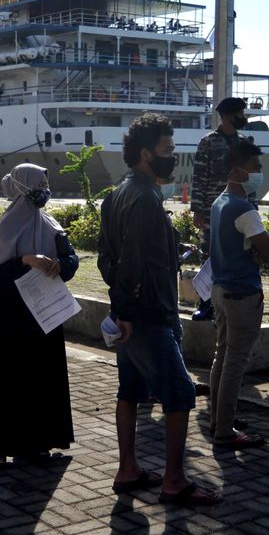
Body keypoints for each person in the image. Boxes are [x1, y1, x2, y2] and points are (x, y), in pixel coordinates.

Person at [99, 113, 222, 506]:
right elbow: (133, 261)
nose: (172, 157)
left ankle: (129, 469)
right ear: (143, 153)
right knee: (180, 393)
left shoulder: (117, 193)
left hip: (132, 313)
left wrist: (119, 308)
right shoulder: (147, 197)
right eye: (166, 150)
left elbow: (107, 261)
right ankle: (174, 481)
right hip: (149, 314)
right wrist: (128, 313)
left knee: (130, 391)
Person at [0, 164, 79, 468]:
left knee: (45, 376)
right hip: (16, 318)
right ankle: (1, 445)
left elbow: (72, 259)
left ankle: (40, 442)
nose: (45, 190)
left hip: (46, 314)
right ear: (24, 188)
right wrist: (25, 259)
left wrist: (60, 265)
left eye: (47, 184)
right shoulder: (6, 228)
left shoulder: (50, 223)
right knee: (13, 377)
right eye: (40, 184)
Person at [207, 140, 269, 447]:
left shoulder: (219, 203)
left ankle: (218, 419)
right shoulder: (245, 210)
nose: (259, 173)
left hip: (219, 290)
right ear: (238, 170)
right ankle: (224, 431)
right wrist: (260, 252)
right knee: (235, 362)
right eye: (256, 168)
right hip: (242, 294)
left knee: (221, 357)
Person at [190, 96, 250, 321]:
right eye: (238, 114)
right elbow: (199, 176)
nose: (242, 118)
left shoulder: (245, 142)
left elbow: (249, 177)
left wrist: (251, 208)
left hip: (237, 210)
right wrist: (197, 209)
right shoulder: (208, 142)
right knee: (208, 257)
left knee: (235, 254)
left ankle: (229, 304)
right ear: (225, 115)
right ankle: (205, 304)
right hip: (211, 210)